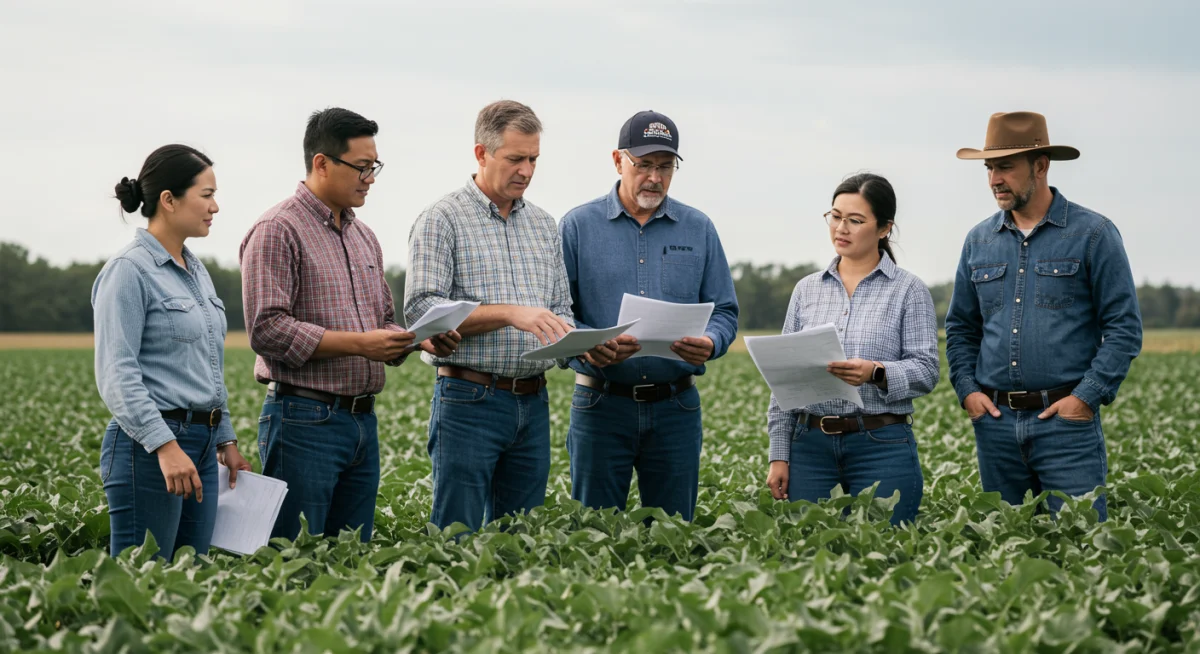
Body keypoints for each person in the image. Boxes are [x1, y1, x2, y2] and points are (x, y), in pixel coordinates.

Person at [240, 107, 458, 542]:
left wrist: (418, 342)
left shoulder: (364, 237)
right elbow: (267, 329)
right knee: (296, 558)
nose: (370, 177)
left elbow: (380, 323)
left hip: (361, 421)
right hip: (303, 417)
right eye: (361, 167)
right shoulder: (277, 229)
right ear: (321, 163)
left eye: (374, 166)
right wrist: (361, 344)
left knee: (352, 554)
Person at [946, 111, 1142, 521]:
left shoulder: (1093, 234)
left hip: (1066, 428)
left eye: (1005, 167)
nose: (994, 179)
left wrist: (1085, 399)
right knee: (1009, 554)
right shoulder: (978, 240)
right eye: (989, 168)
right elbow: (961, 328)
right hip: (995, 427)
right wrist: (968, 391)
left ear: (1041, 165)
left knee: (1083, 548)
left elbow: (1123, 328)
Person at [558, 110, 739, 521]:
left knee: (675, 531)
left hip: (676, 406)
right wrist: (590, 345)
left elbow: (725, 311)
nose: (654, 177)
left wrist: (711, 342)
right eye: (643, 165)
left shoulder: (699, 228)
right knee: (596, 533)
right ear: (617, 160)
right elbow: (557, 314)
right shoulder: (578, 226)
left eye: (665, 166)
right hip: (601, 404)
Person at [405, 100, 575, 533]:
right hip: (469, 400)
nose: (527, 170)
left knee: (521, 537)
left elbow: (560, 309)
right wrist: (509, 315)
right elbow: (423, 311)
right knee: (456, 535)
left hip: (532, 401)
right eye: (515, 158)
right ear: (481, 154)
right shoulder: (441, 219)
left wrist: (581, 340)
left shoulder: (543, 225)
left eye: (533, 158)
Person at [93, 144, 252, 559]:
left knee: (188, 581)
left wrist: (225, 439)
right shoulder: (128, 271)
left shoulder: (196, 271)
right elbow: (117, 373)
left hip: (201, 446)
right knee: (140, 586)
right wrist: (164, 446)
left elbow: (207, 366)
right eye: (206, 195)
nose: (215, 207)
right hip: (148, 450)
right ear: (168, 200)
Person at [765, 174, 938, 526]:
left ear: (884, 228)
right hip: (809, 446)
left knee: (887, 551)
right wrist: (778, 455)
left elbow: (926, 371)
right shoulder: (806, 290)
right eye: (835, 216)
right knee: (811, 557)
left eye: (855, 220)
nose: (841, 228)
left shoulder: (909, 291)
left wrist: (876, 372)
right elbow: (782, 381)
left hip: (882, 444)